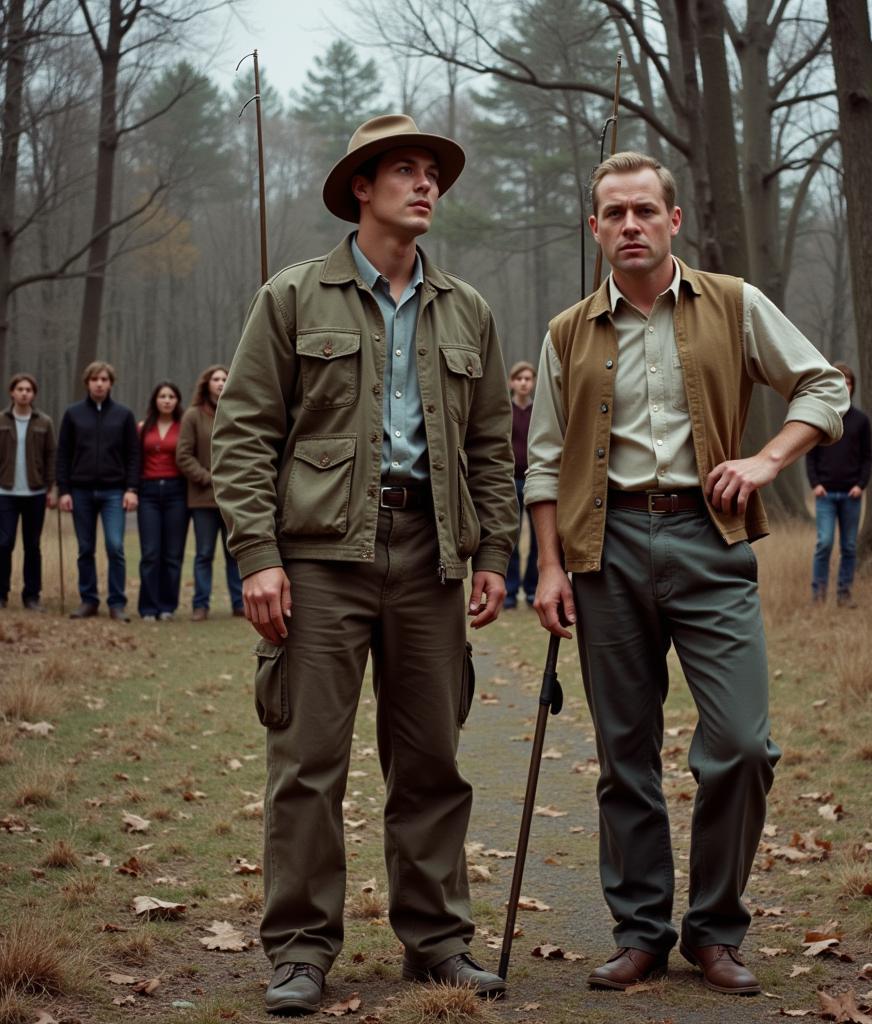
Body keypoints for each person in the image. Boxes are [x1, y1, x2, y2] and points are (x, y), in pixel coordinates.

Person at [211, 114, 518, 1014]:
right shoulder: (294, 297)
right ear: (360, 188)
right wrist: (259, 556)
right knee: (308, 763)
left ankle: (438, 944)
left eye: (433, 173)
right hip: (317, 562)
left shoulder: (468, 310)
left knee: (431, 761)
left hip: (430, 559)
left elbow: (492, 446)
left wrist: (493, 550)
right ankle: (301, 950)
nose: (426, 185)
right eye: (405, 171)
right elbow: (243, 435)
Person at [525, 152, 848, 996]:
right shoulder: (567, 332)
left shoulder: (733, 304)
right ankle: (640, 934)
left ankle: (714, 931)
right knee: (623, 754)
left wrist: (769, 457)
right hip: (606, 551)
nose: (630, 225)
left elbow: (823, 386)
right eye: (613, 214)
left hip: (710, 543)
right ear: (595, 230)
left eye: (644, 210)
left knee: (741, 746)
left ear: (673, 221)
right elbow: (545, 459)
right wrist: (550, 566)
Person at [56, 361, 138, 621]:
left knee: (115, 546)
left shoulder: (123, 415)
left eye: (104, 379)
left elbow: (133, 455)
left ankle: (117, 603)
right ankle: (88, 600)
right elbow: (63, 455)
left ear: (111, 383)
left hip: (114, 491)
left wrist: (131, 488)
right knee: (85, 548)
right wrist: (64, 490)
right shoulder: (73, 414)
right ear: (87, 383)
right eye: (94, 379)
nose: (99, 383)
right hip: (80, 491)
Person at [176, 366, 243, 622]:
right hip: (203, 499)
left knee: (234, 554)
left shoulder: (238, 412)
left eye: (225, 379)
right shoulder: (193, 416)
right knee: (204, 554)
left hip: (233, 499)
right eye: (216, 379)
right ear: (206, 384)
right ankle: (200, 605)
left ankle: (239, 603)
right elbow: (183, 455)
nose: (221, 383)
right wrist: (208, 478)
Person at [805, 362, 872, 607]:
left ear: (853, 386)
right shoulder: (821, 417)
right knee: (824, 543)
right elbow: (810, 454)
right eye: (840, 380)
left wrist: (861, 485)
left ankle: (844, 595)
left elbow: (867, 458)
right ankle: (818, 595)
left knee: (849, 547)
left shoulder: (861, 420)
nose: (844, 385)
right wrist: (815, 484)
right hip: (825, 494)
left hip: (851, 494)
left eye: (849, 381)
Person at [0, 374, 57, 611]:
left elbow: (51, 455)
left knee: (32, 545)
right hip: (5, 491)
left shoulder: (44, 422)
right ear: (11, 392)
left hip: (35, 492)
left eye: (29, 390)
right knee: (4, 543)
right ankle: (1, 593)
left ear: (34, 394)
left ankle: (32, 595)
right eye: (20, 389)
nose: (24, 393)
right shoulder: (1, 420)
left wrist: (52, 488)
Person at [137, 381, 188, 622]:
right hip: (148, 492)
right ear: (155, 400)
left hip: (176, 492)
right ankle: (148, 607)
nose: (166, 400)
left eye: (171, 396)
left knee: (172, 554)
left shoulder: (183, 426)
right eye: (162, 396)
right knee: (150, 552)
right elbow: (134, 460)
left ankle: (167, 606)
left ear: (177, 401)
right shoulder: (142, 427)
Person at [504, 360, 539, 608]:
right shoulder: (505, 411)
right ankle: (509, 592)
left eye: (528, 378)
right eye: (520, 378)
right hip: (510, 482)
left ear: (534, 382)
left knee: (539, 541)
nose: (524, 382)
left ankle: (532, 590)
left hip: (535, 482)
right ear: (512, 382)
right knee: (512, 540)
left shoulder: (540, 411)